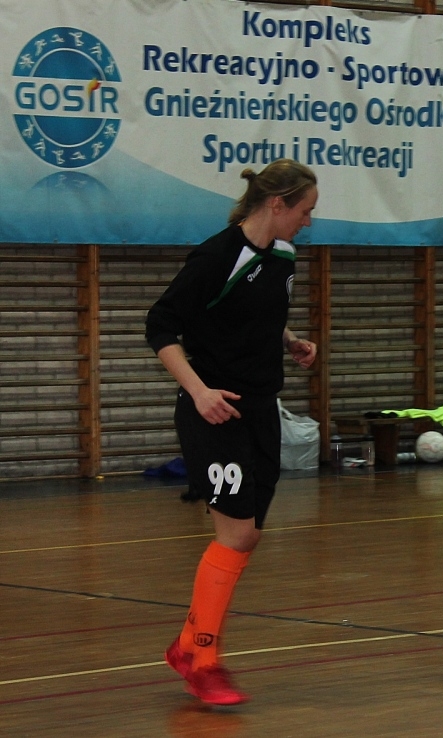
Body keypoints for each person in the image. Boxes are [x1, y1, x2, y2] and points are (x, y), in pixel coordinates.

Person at [145, 158, 318, 705]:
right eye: (305, 210)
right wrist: (199, 392)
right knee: (236, 535)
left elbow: (255, 311)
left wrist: (289, 340)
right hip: (214, 413)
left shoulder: (283, 254)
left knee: (247, 536)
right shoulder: (216, 256)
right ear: (277, 204)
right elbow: (160, 325)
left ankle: (186, 646)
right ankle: (203, 660)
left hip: (262, 412)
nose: (309, 221)